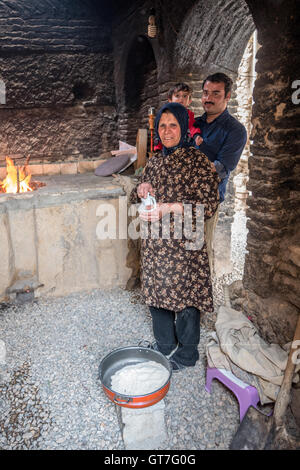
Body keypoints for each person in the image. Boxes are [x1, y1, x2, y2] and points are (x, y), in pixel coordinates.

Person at [130, 102, 220, 372]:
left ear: (184, 127)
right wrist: (142, 188)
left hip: (184, 246)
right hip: (156, 245)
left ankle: (187, 354)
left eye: (173, 125)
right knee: (157, 293)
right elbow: (139, 191)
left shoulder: (198, 161)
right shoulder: (155, 161)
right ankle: (165, 344)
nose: (167, 131)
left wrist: (168, 208)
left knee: (186, 298)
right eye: (162, 125)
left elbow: (209, 205)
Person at [194, 73, 247, 274]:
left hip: (205, 201)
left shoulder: (235, 130)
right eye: (206, 93)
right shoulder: (194, 125)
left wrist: (184, 169)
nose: (209, 98)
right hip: (180, 198)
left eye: (216, 93)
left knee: (199, 251)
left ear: (228, 96)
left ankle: (199, 300)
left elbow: (221, 168)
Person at [154, 83, 202, 151]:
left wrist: (196, 135)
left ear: (189, 101)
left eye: (185, 96)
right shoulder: (165, 115)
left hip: (183, 145)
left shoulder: (189, 115)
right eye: (177, 96)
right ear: (170, 100)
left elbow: (193, 127)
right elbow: (160, 131)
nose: (181, 99)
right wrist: (158, 148)